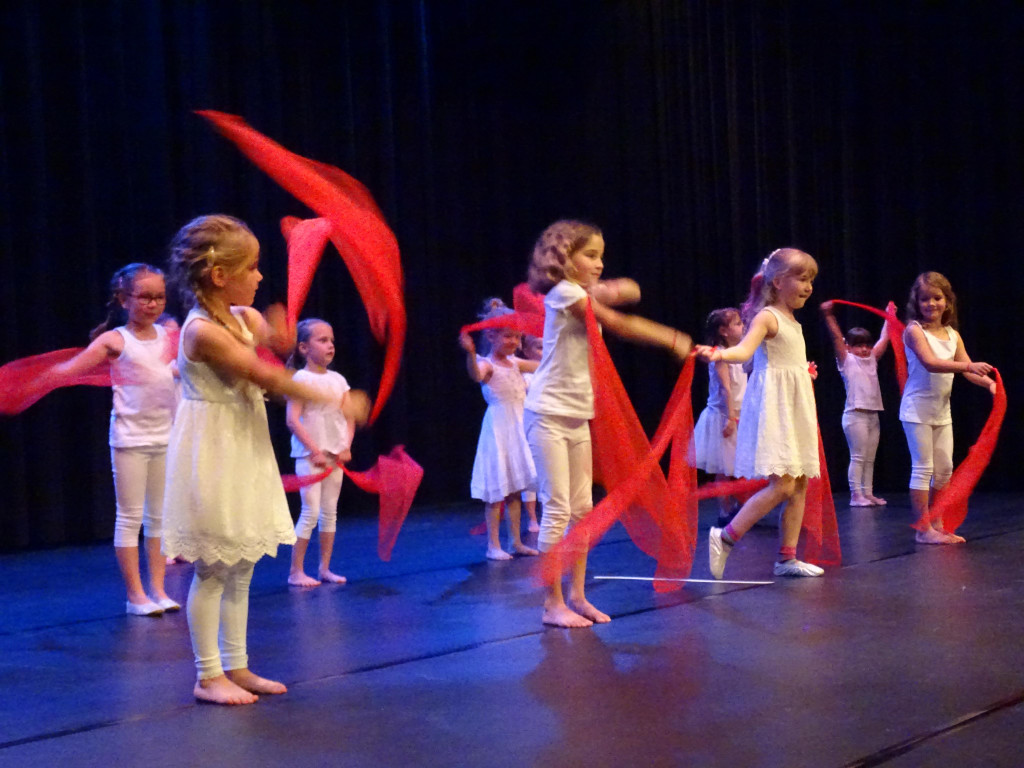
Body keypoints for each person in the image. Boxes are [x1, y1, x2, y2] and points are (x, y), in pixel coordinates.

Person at [161, 214, 369, 705]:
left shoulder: (242, 319)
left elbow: (273, 346)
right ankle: (207, 675)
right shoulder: (201, 332)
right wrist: (335, 400)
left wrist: (277, 332)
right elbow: (267, 376)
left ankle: (236, 665)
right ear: (219, 275)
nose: (259, 277)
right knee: (214, 567)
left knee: (241, 564)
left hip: (244, 444)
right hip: (214, 449)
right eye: (251, 268)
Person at [524, 219, 691, 627]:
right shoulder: (564, 293)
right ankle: (552, 605)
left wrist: (606, 287)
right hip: (547, 414)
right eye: (591, 255)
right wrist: (671, 338)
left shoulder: (580, 292)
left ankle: (577, 596)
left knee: (583, 509)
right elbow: (618, 323)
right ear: (565, 260)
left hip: (577, 416)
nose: (599, 264)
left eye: (602, 256)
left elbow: (631, 289)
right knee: (558, 508)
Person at [53, 263, 179, 616]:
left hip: (166, 436)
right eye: (145, 297)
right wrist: (35, 380)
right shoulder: (114, 340)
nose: (153, 304)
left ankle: (158, 590)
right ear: (124, 300)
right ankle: (135, 595)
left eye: (159, 297)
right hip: (130, 440)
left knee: (159, 518)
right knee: (130, 516)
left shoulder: (170, 336)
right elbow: (69, 370)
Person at [696, 248, 824, 579]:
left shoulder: (793, 322)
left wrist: (802, 373)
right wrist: (719, 355)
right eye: (802, 279)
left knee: (799, 483)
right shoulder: (767, 317)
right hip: (776, 408)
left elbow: (773, 362)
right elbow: (743, 352)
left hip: (794, 406)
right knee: (783, 485)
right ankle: (725, 537)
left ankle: (787, 558)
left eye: (811, 280)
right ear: (778, 282)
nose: (808, 287)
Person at [899, 271, 994, 544]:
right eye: (924, 299)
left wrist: (989, 384)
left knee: (944, 469)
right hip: (916, 410)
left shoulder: (953, 335)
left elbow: (967, 370)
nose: (931, 304)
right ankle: (923, 530)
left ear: (947, 301)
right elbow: (931, 363)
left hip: (941, 412)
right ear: (917, 302)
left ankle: (937, 523)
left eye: (937, 298)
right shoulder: (914, 331)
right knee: (923, 468)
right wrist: (968, 366)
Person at [459, 299, 540, 561]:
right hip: (498, 431)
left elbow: (544, 365)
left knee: (516, 490)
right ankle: (493, 545)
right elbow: (476, 374)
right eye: (508, 336)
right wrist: (470, 353)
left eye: (517, 336)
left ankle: (515, 542)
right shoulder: (486, 363)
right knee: (496, 493)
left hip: (518, 430)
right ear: (491, 336)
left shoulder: (516, 362)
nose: (514, 341)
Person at [286, 318, 355, 586]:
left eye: (331, 341)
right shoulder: (300, 379)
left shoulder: (339, 380)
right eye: (322, 340)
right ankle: (295, 571)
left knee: (329, 512)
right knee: (310, 511)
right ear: (304, 348)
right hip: (310, 457)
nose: (330, 345)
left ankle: (324, 568)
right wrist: (314, 450)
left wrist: (346, 445)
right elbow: (293, 419)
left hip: (334, 456)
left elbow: (349, 417)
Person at [820, 302, 889, 507]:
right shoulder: (846, 360)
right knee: (858, 457)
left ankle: (867, 493)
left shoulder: (872, 359)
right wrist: (829, 315)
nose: (864, 349)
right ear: (849, 347)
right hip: (855, 416)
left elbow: (884, 339)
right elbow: (836, 338)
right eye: (858, 345)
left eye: (867, 345)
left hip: (872, 416)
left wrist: (889, 317)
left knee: (869, 458)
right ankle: (855, 495)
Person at [692, 307, 747, 527]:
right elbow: (726, 389)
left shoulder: (740, 352)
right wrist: (730, 419)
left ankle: (740, 507)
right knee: (725, 469)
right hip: (724, 417)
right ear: (724, 331)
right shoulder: (720, 356)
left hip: (740, 415)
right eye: (738, 324)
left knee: (739, 468)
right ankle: (725, 511)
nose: (743, 327)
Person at [519, 333, 544, 533]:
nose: (544, 352)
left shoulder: (554, 371)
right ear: (526, 351)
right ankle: (532, 517)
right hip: (529, 428)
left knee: (549, 474)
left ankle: (551, 513)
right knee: (530, 475)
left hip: (548, 427)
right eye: (539, 347)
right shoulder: (526, 376)